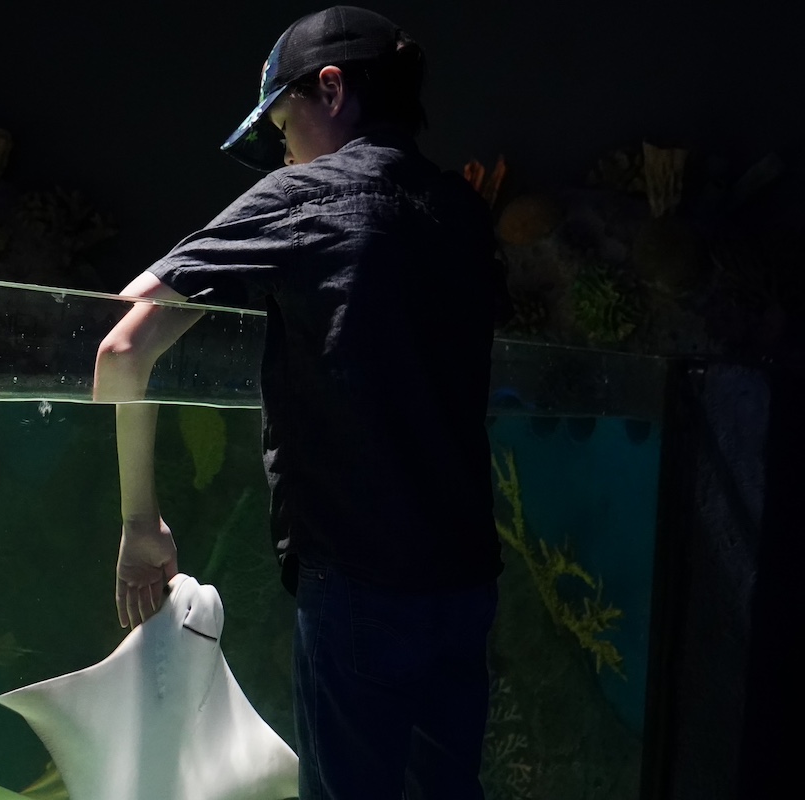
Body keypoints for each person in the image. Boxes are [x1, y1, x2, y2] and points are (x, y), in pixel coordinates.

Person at [93, 6, 506, 798]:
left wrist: (141, 524)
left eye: (281, 123)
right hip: (465, 581)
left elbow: (120, 345)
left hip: (360, 581)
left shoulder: (303, 195)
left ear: (330, 88)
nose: (281, 150)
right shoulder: (459, 211)